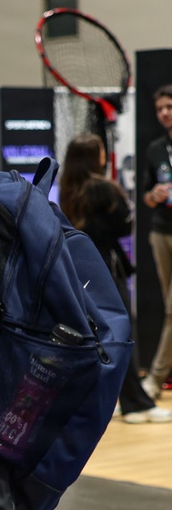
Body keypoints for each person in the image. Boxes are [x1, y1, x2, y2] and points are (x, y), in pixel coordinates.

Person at [59, 133, 172, 423]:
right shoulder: (102, 188)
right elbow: (124, 225)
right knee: (121, 334)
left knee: (103, 336)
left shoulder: (68, 188)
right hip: (105, 271)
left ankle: (121, 398)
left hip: (81, 271)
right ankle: (136, 403)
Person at [140, 84, 172, 401]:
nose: (164, 113)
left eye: (169, 107)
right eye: (160, 108)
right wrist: (155, 195)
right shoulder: (155, 149)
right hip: (162, 233)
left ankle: (155, 377)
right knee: (169, 308)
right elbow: (146, 197)